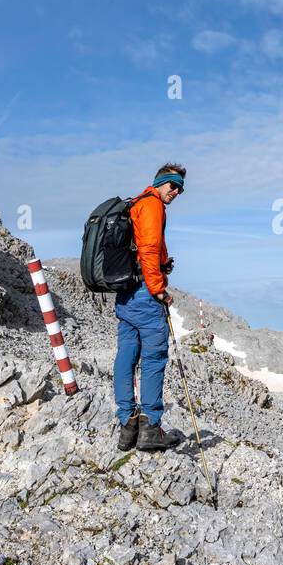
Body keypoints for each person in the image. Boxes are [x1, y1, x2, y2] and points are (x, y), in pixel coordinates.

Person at [114, 163, 187, 452]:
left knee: (126, 355)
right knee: (154, 357)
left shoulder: (136, 204)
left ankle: (127, 425)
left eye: (181, 188)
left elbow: (141, 248)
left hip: (126, 290)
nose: (177, 191)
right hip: (145, 291)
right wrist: (159, 290)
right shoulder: (153, 205)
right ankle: (151, 428)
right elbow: (148, 248)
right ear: (160, 182)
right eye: (173, 185)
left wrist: (161, 265)